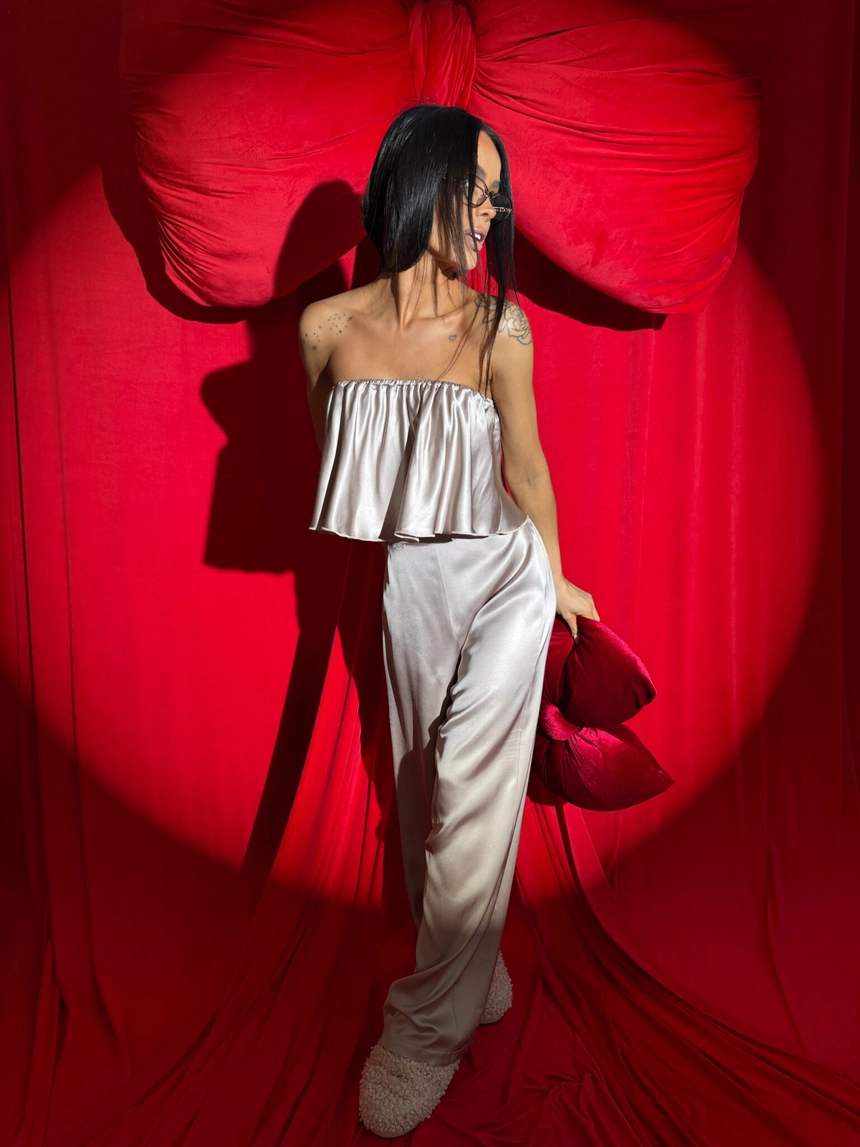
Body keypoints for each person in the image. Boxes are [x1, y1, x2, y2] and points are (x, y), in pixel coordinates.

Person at [299, 104, 598, 1138]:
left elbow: (527, 468)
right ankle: (472, 966)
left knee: (471, 791)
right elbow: (350, 464)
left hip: (503, 577)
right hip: (411, 588)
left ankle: (423, 1031)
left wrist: (554, 577)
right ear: (413, 180)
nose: (488, 214)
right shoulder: (325, 330)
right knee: (425, 793)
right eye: (474, 189)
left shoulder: (499, 327)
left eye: (494, 197)